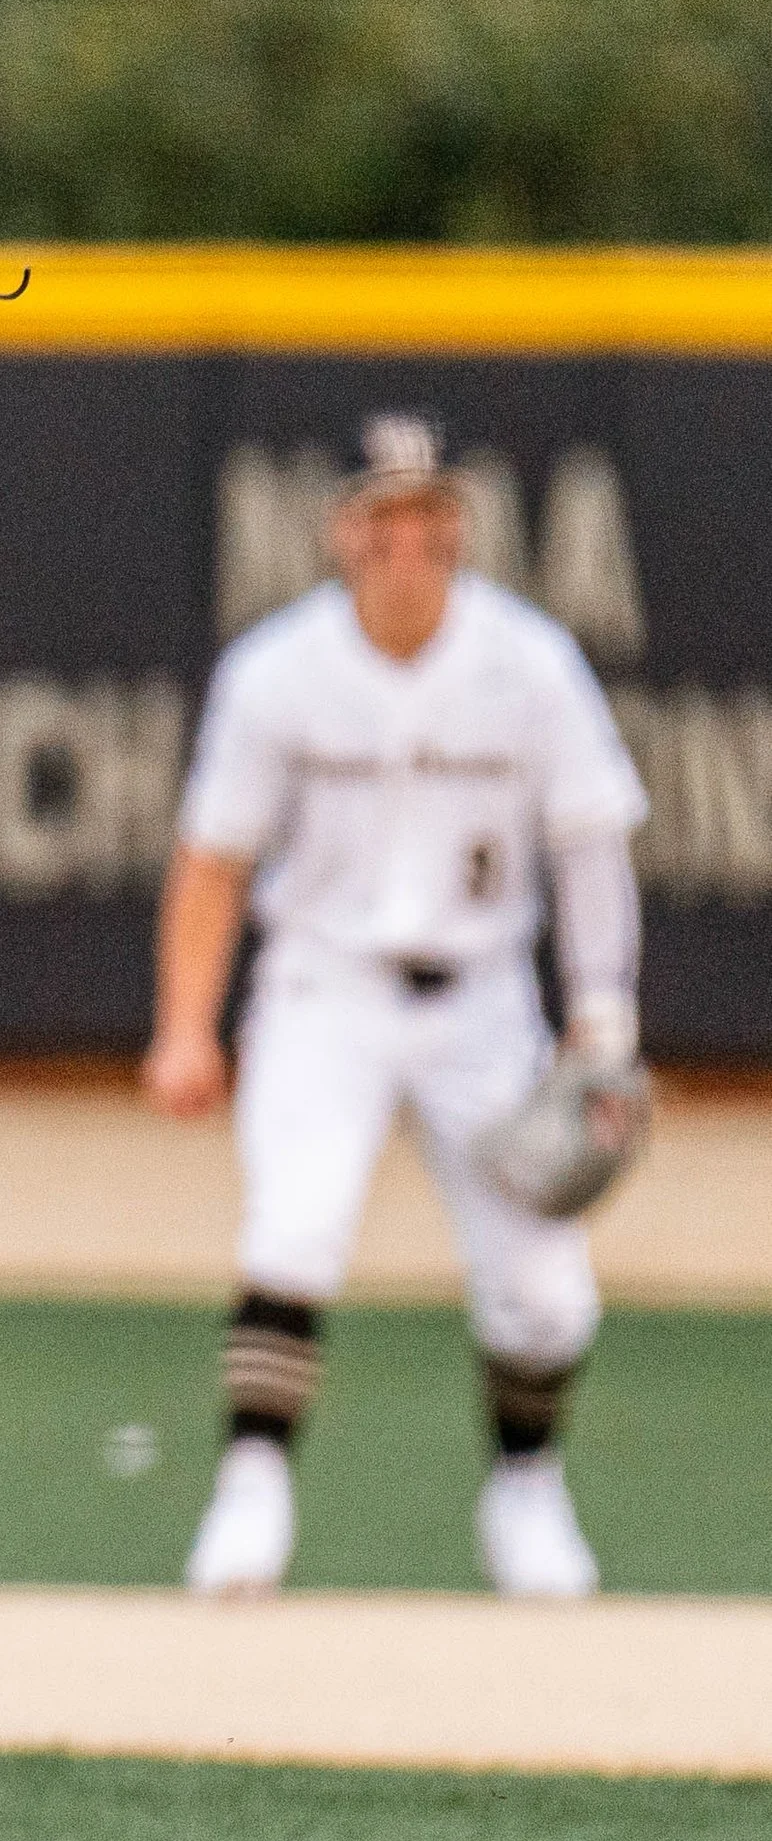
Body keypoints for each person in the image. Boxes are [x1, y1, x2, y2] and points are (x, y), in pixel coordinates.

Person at [142, 413, 647, 1598]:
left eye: (427, 518)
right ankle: (251, 1483)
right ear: (344, 533)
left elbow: (589, 845)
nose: (406, 542)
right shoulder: (280, 668)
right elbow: (211, 857)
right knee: (292, 1230)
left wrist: (604, 1012)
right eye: (384, 519)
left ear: (458, 532)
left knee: (540, 1284)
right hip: (326, 987)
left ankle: (525, 1486)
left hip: (482, 999)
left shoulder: (528, 663)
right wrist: (182, 1024)